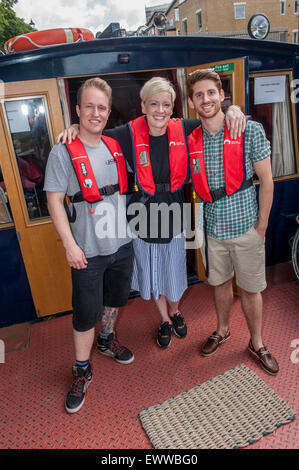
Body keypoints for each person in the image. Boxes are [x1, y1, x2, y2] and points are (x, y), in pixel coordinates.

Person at [59, 76, 245, 349]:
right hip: (142, 219)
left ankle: (175, 309)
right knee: (153, 275)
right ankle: (165, 320)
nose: (160, 110)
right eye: (154, 104)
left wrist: (234, 110)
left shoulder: (185, 128)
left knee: (175, 274)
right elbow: (94, 134)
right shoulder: (126, 133)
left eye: (166, 105)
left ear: (172, 108)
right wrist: (75, 127)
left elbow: (214, 116)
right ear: (143, 105)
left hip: (174, 218)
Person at [44, 78, 134, 414]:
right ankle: (82, 369)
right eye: (89, 106)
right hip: (87, 251)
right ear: (78, 109)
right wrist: (69, 245)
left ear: (108, 112)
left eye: (102, 107)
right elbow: (54, 200)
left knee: (115, 300)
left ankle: (107, 340)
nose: (95, 113)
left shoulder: (115, 144)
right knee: (84, 314)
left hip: (122, 243)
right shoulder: (62, 151)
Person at [187, 68, 279, 375]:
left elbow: (267, 181)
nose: (206, 99)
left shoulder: (247, 130)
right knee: (220, 284)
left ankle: (257, 342)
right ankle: (222, 330)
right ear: (191, 102)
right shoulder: (191, 139)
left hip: (246, 228)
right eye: (198, 95)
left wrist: (261, 227)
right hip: (212, 231)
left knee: (252, 289)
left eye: (211, 92)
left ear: (222, 95)